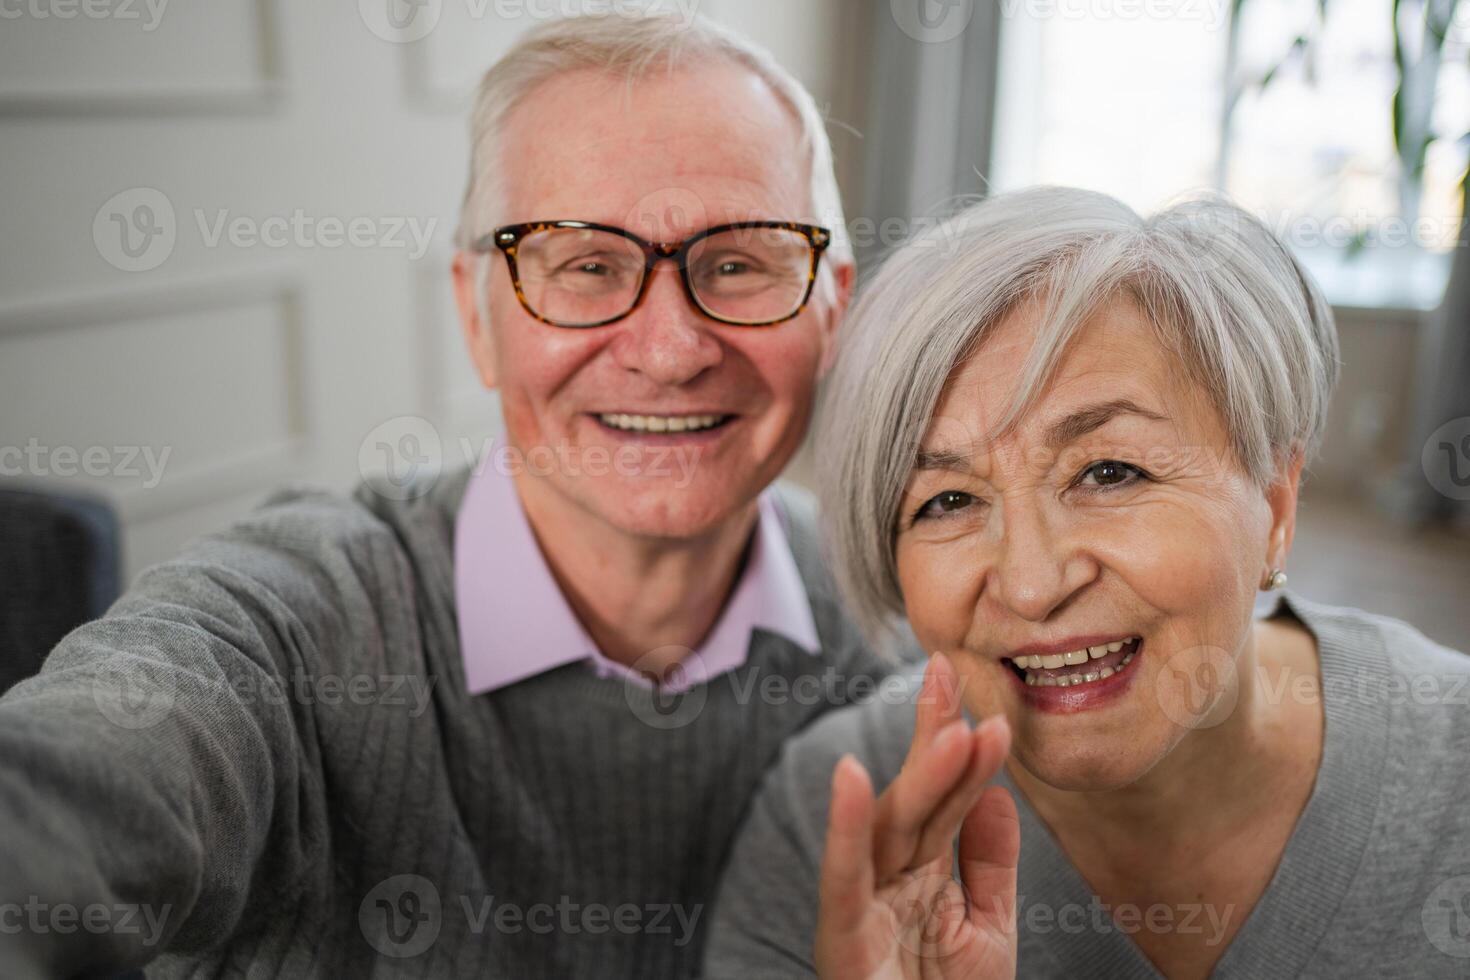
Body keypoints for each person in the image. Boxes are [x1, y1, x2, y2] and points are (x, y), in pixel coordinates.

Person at [0, 13, 906, 978]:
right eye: (587, 266)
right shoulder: (304, 621)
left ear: (831, 308)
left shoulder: (897, 617)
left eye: (737, 263)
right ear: (476, 314)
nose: (672, 350)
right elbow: (80, 778)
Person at [704, 187, 1470, 979]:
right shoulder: (832, 823)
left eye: (1109, 471)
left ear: (1275, 503)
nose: (1033, 585)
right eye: (949, 500)